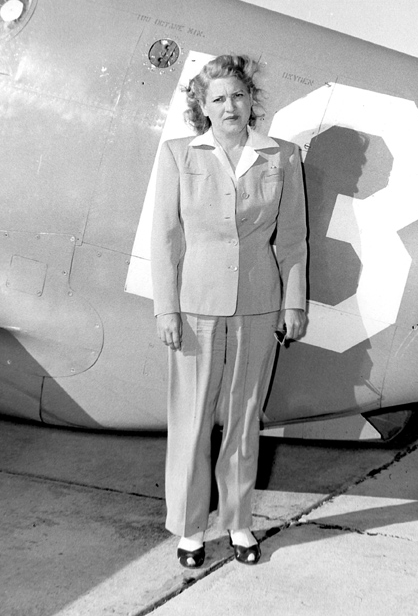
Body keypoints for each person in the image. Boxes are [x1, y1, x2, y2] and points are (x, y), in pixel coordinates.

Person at [151, 54, 307, 568]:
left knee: (243, 421)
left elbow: (294, 243)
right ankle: (192, 530)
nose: (230, 105)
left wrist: (293, 302)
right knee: (193, 422)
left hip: (260, 308)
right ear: (201, 106)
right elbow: (166, 239)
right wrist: (166, 308)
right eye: (217, 97)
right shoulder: (178, 154)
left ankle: (239, 523)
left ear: (251, 100)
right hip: (194, 308)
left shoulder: (282, 156)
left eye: (238, 95)